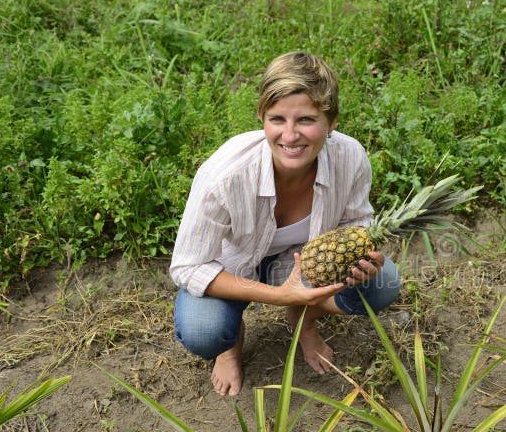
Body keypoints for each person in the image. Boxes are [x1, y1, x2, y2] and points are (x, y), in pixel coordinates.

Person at [170, 51, 401, 396]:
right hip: (230, 269)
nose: (290, 136)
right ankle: (230, 344)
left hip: (301, 264)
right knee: (204, 331)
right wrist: (278, 295)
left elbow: (358, 221)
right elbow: (188, 267)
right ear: (261, 116)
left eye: (306, 120)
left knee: (383, 283)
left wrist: (363, 257)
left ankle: (304, 322)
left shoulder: (350, 156)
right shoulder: (224, 176)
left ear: (331, 121)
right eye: (277, 119)